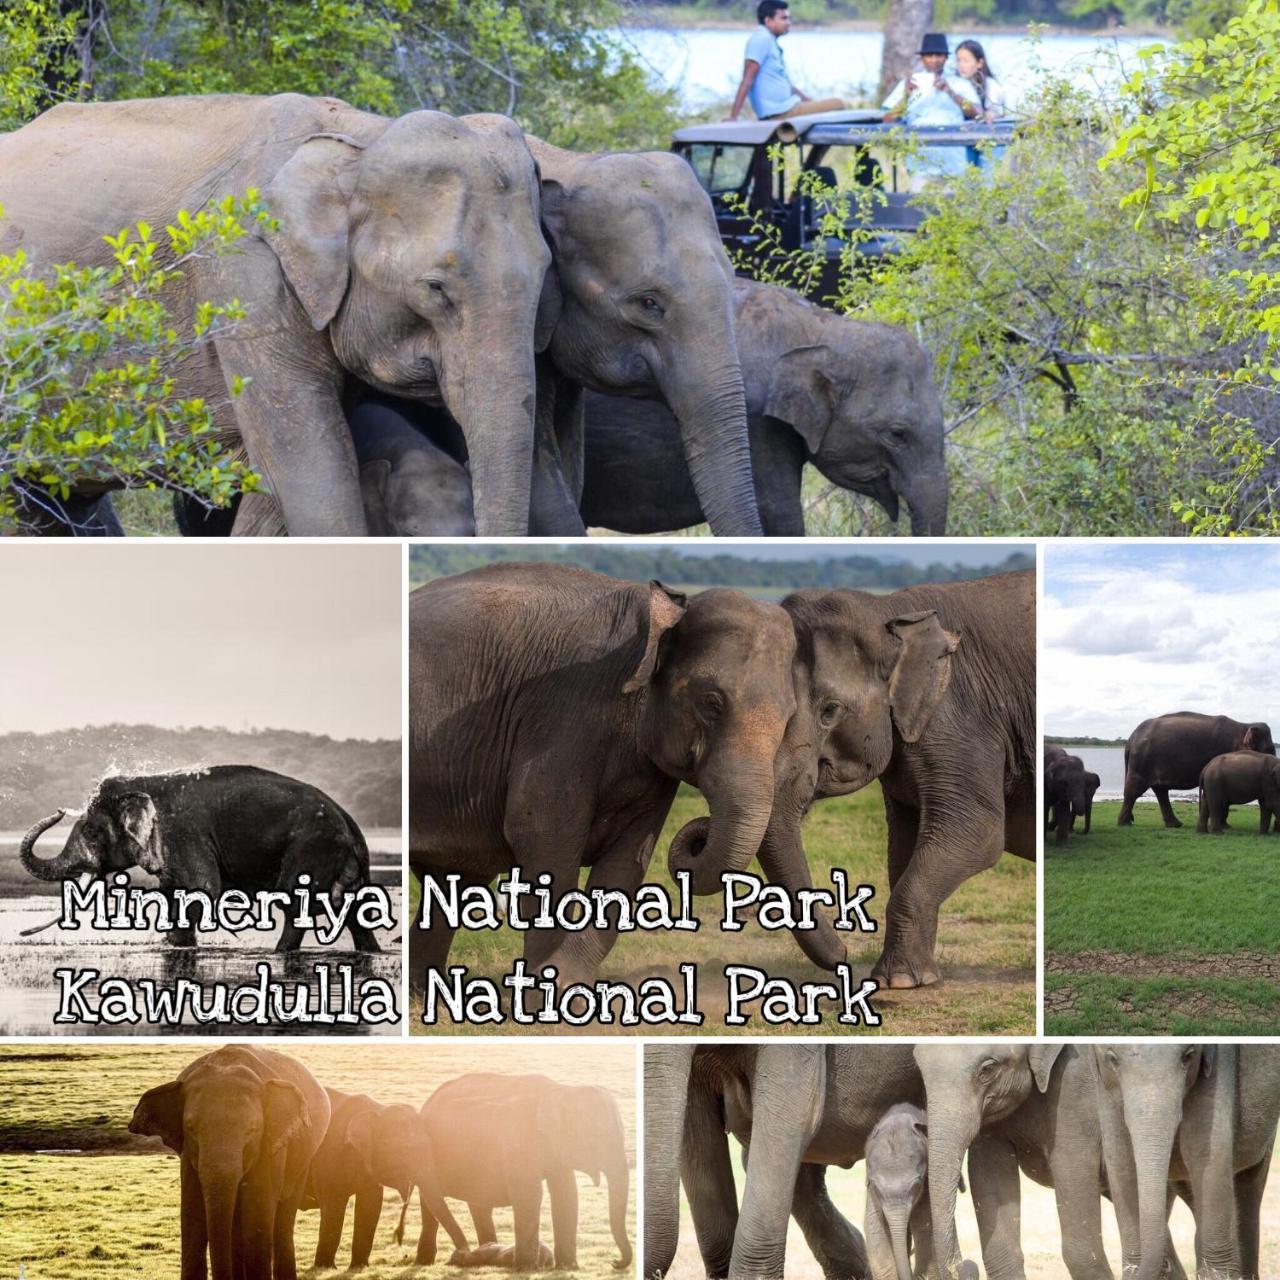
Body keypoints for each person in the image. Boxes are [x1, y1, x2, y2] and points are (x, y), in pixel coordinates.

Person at [728, 0, 846, 122]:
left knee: (827, 106)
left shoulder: (770, 41)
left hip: (788, 107)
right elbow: (747, 78)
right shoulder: (761, 39)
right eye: (783, 18)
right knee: (838, 104)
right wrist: (733, 117)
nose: (788, 23)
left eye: (789, 18)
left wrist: (810, 102)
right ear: (768, 21)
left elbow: (790, 88)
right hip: (780, 112)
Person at [955, 39, 1007, 121]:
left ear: (979, 63)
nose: (961, 65)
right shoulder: (954, 84)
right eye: (958, 61)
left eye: (966, 61)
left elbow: (996, 115)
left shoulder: (991, 86)